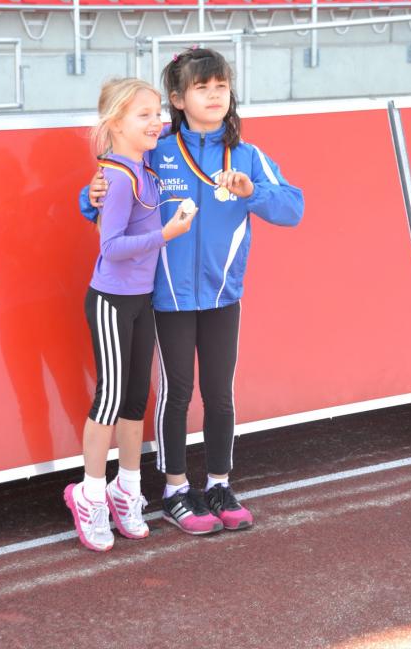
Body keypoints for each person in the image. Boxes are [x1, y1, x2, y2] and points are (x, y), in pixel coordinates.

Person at [84, 48, 304, 537]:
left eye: (221, 86)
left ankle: (220, 484)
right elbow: (108, 188)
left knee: (220, 393)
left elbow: (293, 209)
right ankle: (176, 490)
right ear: (179, 99)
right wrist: (89, 195)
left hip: (224, 295)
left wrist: (253, 193)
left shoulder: (247, 155)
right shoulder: (155, 149)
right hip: (168, 298)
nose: (214, 95)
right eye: (201, 88)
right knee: (177, 392)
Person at [65, 78, 196, 552]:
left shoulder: (143, 165)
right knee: (110, 399)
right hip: (112, 300)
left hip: (142, 301)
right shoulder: (118, 177)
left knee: (135, 399)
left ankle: (127, 489)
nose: (156, 122)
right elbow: (112, 247)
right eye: (144, 115)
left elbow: (176, 129)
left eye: (157, 112)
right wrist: (167, 234)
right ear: (115, 123)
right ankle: (89, 494)